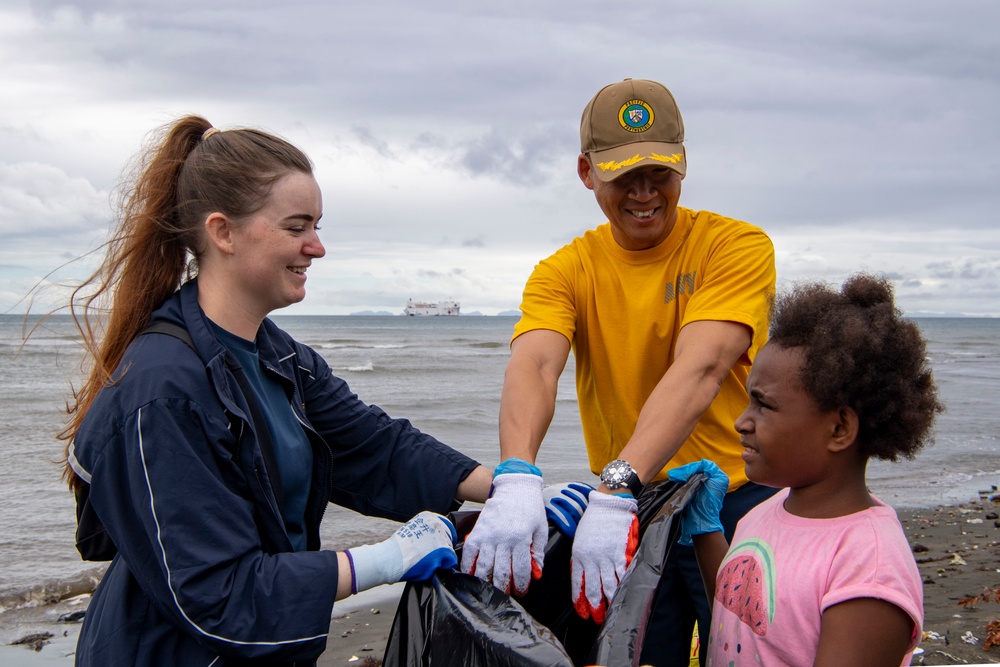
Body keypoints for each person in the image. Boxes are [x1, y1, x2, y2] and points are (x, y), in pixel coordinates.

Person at [56, 116, 495, 666]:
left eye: (317, 225)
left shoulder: (277, 353)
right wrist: (380, 562)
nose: (317, 247)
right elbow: (217, 592)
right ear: (223, 232)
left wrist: (512, 493)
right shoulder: (161, 392)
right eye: (297, 227)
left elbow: (374, 445)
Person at [461, 77, 778, 666]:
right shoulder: (565, 270)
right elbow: (534, 362)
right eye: (622, 174)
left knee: (746, 656)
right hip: (636, 511)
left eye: (659, 172)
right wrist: (517, 475)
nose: (643, 192)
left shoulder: (735, 246)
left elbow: (701, 366)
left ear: (683, 165)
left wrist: (614, 486)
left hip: (738, 499)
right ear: (586, 172)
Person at [671, 273, 940, 666]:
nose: (741, 422)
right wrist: (705, 531)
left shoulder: (868, 566)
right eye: (748, 402)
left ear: (839, 428)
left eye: (764, 405)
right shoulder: (766, 511)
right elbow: (742, 615)